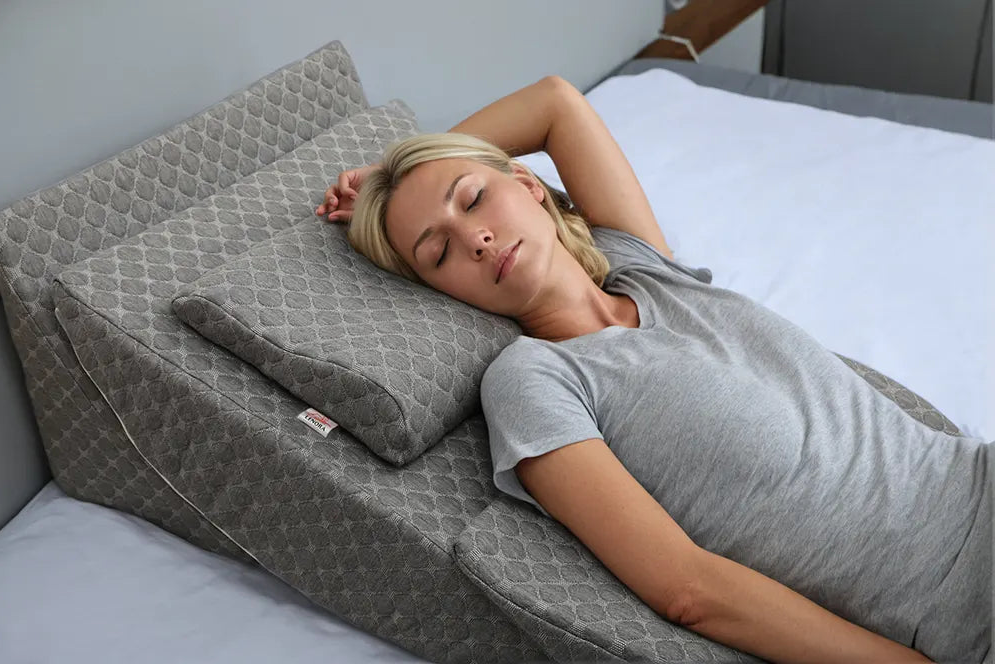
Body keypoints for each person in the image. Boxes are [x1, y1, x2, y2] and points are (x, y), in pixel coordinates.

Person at [315, 75, 991, 663]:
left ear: (528, 186)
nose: (474, 238)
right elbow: (686, 588)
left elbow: (555, 104)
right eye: (438, 254)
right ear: (443, 293)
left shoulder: (645, 270)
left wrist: (386, 173)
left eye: (473, 200)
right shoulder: (533, 382)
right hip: (957, 604)